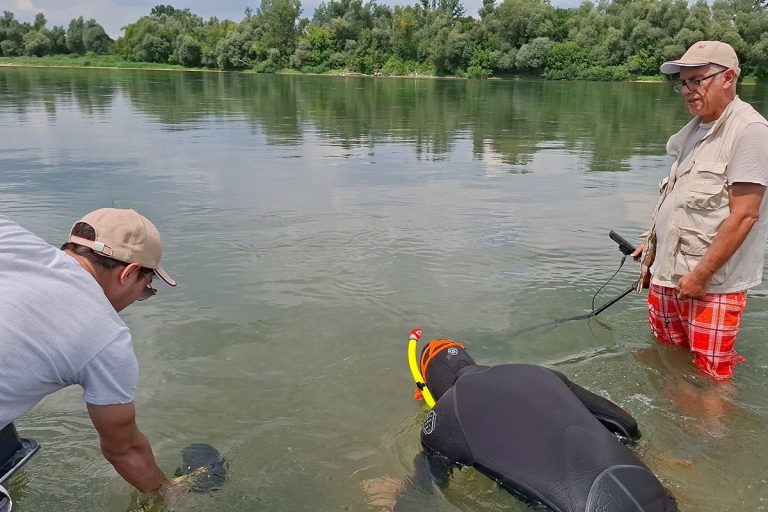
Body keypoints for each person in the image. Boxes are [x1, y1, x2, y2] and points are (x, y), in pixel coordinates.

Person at [365, 338, 677, 512]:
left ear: (430, 389)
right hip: (650, 491)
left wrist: (397, 495)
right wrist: (648, 457)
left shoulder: (445, 416)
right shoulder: (536, 372)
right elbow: (624, 423)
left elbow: (425, 490)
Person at [0, 209, 180, 498]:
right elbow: (125, 451)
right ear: (129, 273)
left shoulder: (11, 237)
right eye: (146, 289)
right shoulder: (107, 338)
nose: (139, 298)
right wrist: (167, 493)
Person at [632, 40, 768, 380]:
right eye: (683, 83)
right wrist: (653, 246)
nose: (687, 90)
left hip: (709, 285)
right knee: (668, 362)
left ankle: (714, 419)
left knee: (711, 379)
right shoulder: (696, 128)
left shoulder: (749, 132)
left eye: (697, 80)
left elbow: (745, 215)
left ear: (729, 77)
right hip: (668, 275)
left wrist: (700, 277)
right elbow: (680, 201)